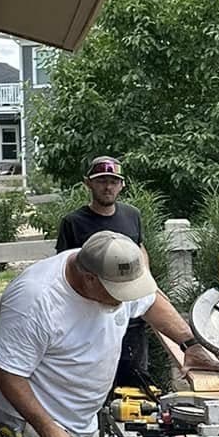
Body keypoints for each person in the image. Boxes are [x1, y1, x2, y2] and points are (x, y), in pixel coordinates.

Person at [0, 230, 215, 437]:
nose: (124, 300)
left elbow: (150, 301)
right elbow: (6, 371)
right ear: (89, 279)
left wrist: (190, 344)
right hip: (30, 425)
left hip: (82, 423)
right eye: (118, 293)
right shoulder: (35, 299)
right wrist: (46, 427)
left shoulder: (114, 275)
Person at [57, 155, 149, 388]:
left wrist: (148, 284)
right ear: (88, 183)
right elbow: (64, 266)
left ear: (122, 185)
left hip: (130, 318)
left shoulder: (132, 215)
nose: (108, 187)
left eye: (113, 181)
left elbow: (140, 250)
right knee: (92, 384)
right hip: (90, 320)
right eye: (101, 181)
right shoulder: (73, 222)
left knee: (133, 385)